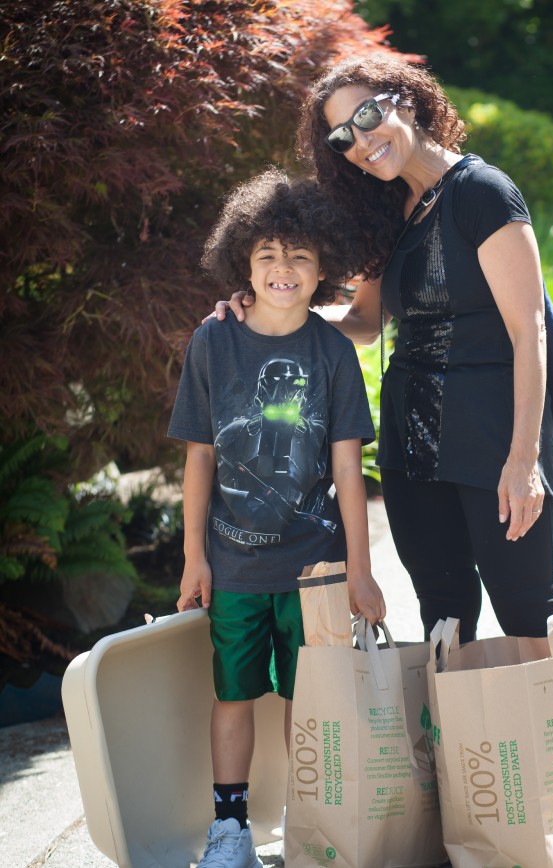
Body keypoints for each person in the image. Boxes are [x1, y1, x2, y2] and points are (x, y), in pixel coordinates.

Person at [212, 56, 553, 865]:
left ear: (404, 99)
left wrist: (525, 460)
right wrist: (275, 314)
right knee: (447, 614)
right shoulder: (387, 214)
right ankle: (481, 794)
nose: (359, 142)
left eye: (367, 118)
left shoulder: (483, 192)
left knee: (531, 613)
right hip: (411, 445)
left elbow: (528, 338)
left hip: (492, 439)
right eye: (341, 135)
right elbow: (368, 324)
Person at [170, 167, 386, 868]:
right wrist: (193, 556)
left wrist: (361, 570)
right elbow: (199, 457)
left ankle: (309, 819)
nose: (282, 269)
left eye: (298, 255)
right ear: (244, 263)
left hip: (315, 570)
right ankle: (229, 829)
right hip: (233, 564)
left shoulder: (332, 353)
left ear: (323, 267)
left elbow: (350, 472)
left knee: (309, 699)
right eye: (266, 254)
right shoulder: (214, 342)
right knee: (233, 693)